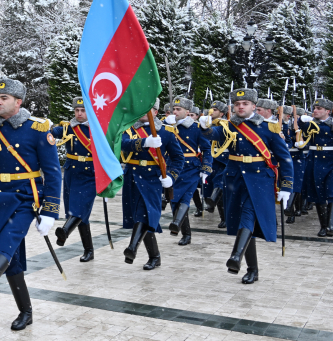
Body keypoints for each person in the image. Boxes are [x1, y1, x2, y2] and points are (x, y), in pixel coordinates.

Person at [0, 77, 61, 331]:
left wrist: (50, 211)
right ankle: (26, 311)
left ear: (19, 102)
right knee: (11, 259)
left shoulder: (37, 129)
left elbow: (53, 172)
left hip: (26, 197)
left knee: (6, 242)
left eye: (4, 98)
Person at [199, 88, 293, 283]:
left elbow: (285, 159)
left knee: (248, 216)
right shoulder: (229, 126)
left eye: (245, 104)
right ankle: (252, 269)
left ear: (253, 106)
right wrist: (204, 127)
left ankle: (236, 256)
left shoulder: (270, 128)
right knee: (244, 222)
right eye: (237, 104)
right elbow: (213, 134)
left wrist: (286, 186)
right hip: (235, 180)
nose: (240, 107)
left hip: (260, 179)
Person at [120, 101, 184, 270]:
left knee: (144, 213)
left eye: (146, 109)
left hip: (152, 179)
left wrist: (171, 176)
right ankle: (155, 256)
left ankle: (132, 247)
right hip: (132, 176)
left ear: (155, 112)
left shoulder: (167, 132)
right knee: (142, 216)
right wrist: (144, 143)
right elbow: (122, 144)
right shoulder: (128, 128)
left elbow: (178, 158)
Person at [51, 97, 97, 262]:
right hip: (72, 173)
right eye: (76, 110)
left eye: (82, 110)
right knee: (77, 211)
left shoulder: (97, 129)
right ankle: (89, 250)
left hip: (90, 174)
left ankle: (64, 231)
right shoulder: (67, 128)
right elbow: (51, 133)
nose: (79, 113)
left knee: (79, 209)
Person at [164, 97, 212, 246]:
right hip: (173, 166)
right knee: (173, 199)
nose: (175, 112)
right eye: (174, 109)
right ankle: (179, 226)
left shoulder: (196, 127)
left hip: (191, 167)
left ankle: (184, 232)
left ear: (187, 111)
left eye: (179, 109)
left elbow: (206, 149)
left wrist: (206, 166)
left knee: (185, 198)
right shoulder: (168, 125)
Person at [297, 97, 333, 236]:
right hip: (315, 161)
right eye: (315, 108)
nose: (315, 111)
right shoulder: (311, 123)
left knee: (331, 193)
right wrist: (301, 120)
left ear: (328, 111)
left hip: (330, 161)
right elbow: (300, 127)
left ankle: (331, 225)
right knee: (319, 194)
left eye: (319, 109)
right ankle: (324, 226)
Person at [204, 100, 231, 228]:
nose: (211, 111)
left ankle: (224, 217)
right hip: (211, 159)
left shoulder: (224, 125)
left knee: (220, 186)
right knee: (208, 185)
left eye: (215, 110)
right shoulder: (207, 123)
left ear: (222, 113)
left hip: (224, 159)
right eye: (211, 109)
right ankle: (210, 203)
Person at [283, 105, 306, 221]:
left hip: (298, 159)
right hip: (287, 159)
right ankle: (290, 210)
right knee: (286, 184)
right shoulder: (284, 127)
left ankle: (292, 208)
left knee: (296, 185)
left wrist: (300, 140)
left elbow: (306, 142)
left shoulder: (305, 128)